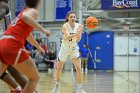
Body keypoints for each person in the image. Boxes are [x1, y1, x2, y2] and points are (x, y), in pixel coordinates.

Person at [0, 0, 50, 93]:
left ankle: (18, 89)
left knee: (3, 73)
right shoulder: (32, 12)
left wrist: (38, 48)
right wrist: (43, 30)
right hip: (12, 45)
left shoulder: (23, 11)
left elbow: (27, 35)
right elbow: (25, 17)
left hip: (3, 42)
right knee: (34, 77)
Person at [52, 11, 86, 93]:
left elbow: (78, 39)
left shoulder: (79, 26)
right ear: (68, 18)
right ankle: (57, 84)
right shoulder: (65, 26)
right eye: (71, 17)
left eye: (74, 17)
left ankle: (80, 87)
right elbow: (67, 37)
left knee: (78, 68)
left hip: (74, 47)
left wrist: (79, 32)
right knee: (59, 68)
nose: (73, 18)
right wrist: (77, 32)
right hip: (64, 47)